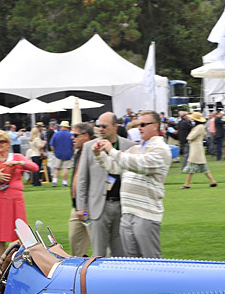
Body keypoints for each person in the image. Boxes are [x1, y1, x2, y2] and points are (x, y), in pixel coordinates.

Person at [92, 110, 170, 258]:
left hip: (146, 214)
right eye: (138, 124)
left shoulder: (161, 149)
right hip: (127, 213)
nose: (139, 128)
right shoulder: (135, 148)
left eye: (143, 124)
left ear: (155, 126)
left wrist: (111, 150)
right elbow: (114, 166)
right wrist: (99, 155)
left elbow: (140, 165)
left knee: (151, 262)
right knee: (132, 263)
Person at [0, 129, 39, 258]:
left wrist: (19, 163)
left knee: (19, 234)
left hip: (14, 199)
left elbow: (34, 167)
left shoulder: (16, 157)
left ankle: (18, 262)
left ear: (8, 144)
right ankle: (1, 265)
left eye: (2, 142)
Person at [76, 112, 133, 257]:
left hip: (122, 205)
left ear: (115, 126)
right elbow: (82, 179)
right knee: (98, 254)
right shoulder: (89, 147)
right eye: (98, 126)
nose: (100, 129)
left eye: (104, 126)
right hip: (98, 206)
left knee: (121, 253)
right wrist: (81, 207)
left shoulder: (129, 146)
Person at [68, 122, 95, 255]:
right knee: (74, 241)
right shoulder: (78, 153)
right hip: (76, 207)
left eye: (75, 135)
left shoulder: (95, 153)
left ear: (85, 136)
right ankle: (79, 272)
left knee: (97, 243)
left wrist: (86, 207)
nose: (72, 138)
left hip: (89, 208)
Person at [180, 111, 217, 187]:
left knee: (192, 165)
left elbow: (190, 137)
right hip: (197, 147)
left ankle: (187, 183)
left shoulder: (199, 127)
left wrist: (189, 137)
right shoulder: (200, 127)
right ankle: (212, 181)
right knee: (202, 166)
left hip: (196, 148)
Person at [48, 121, 74, 187]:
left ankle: (54, 181)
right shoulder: (70, 135)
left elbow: (51, 144)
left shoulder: (56, 134)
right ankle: (64, 182)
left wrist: (54, 151)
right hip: (68, 153)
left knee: (56, 168)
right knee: (65, 168)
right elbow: (74, 145)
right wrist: (72, 151)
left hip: (57, 153)